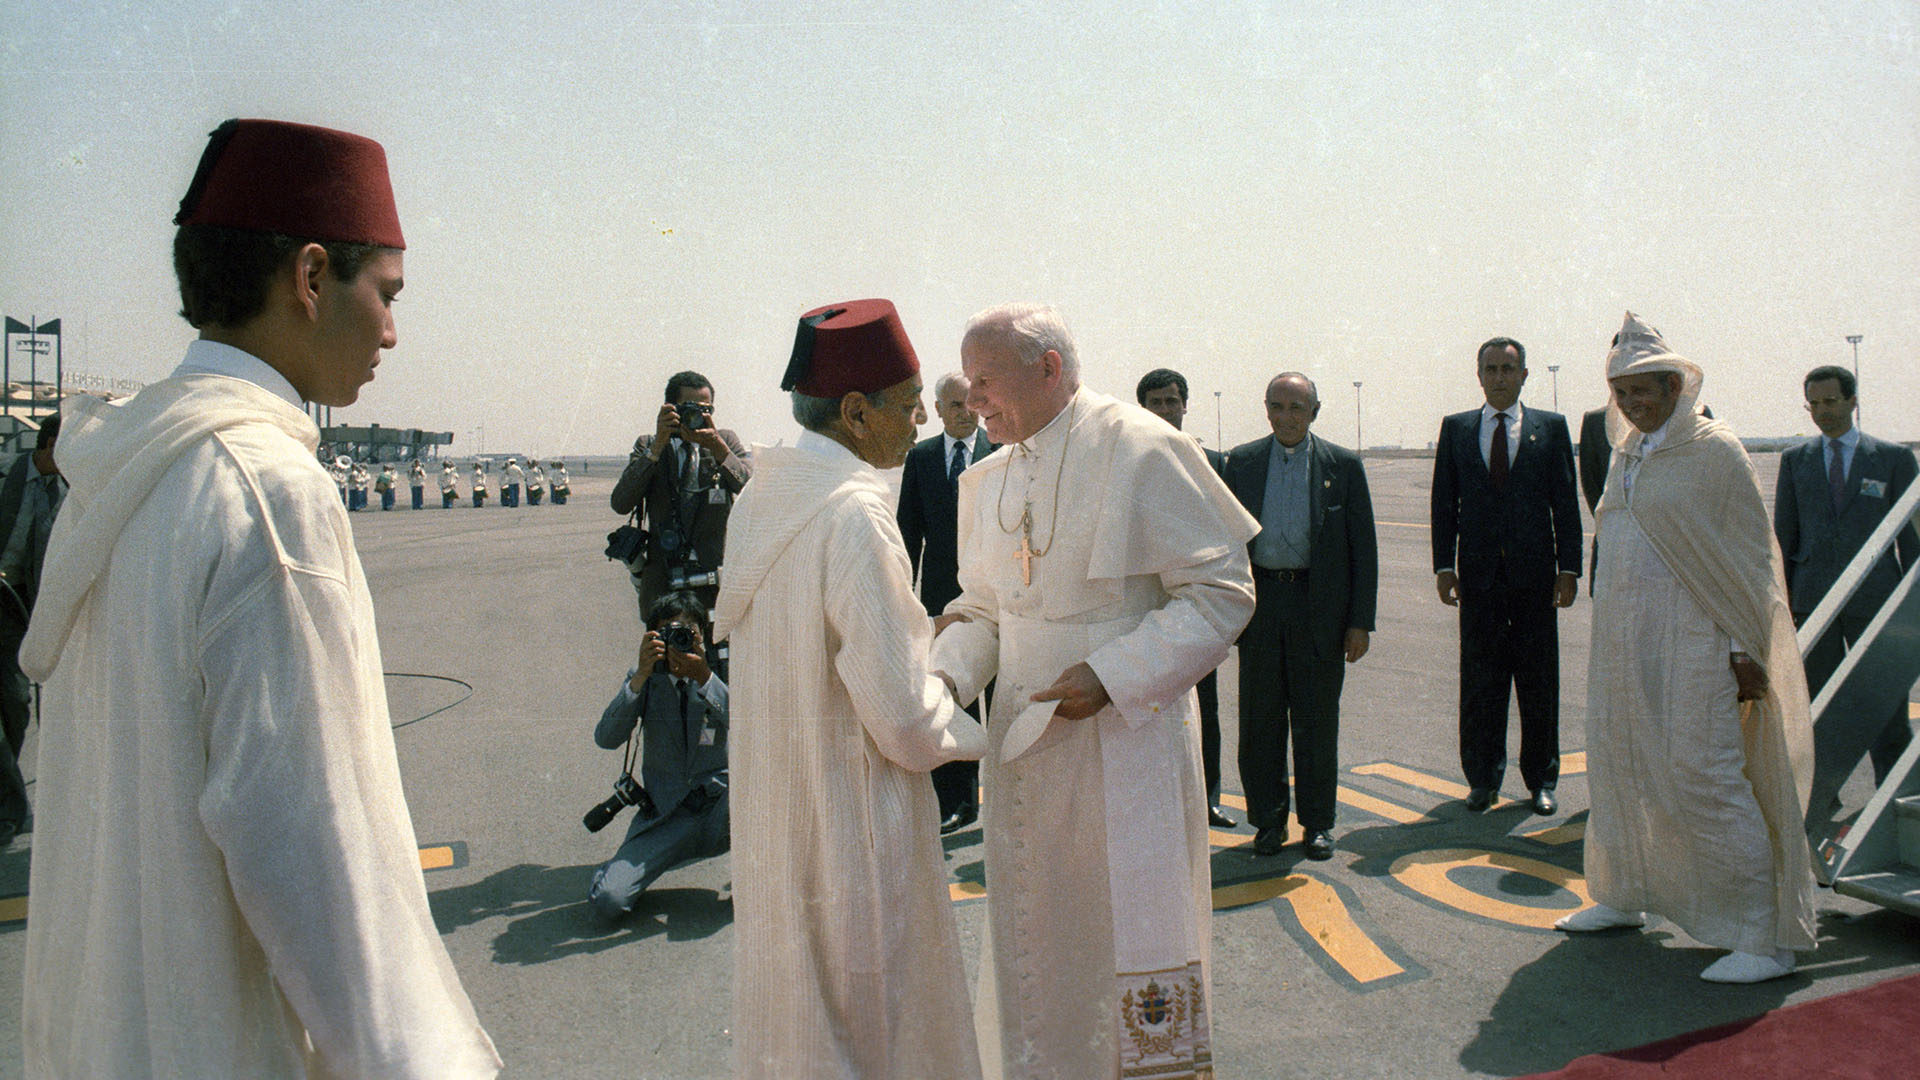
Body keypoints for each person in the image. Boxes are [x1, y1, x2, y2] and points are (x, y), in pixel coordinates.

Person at [18, 117, 499, 1076]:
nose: (395, 333)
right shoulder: (270, 490)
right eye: (387, 294)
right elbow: (317, 860)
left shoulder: (124, 470)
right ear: (312, 278)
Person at [931, 302, 1256, 1079]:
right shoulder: (984, 480)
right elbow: (983, 609)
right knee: (1037, 946)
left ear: (1049, 368)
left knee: (1125, 941)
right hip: (1023, 749)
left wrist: (1112, 676)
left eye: (985, 382)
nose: (972, 402)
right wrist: (942, 676)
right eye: (967, 384)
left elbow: (1222, 591)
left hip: (1124, 746)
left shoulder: (1142, 447)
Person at [713, 298, 985, 1079]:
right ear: (857, 412)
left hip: (778, 816)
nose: (921, 423)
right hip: (856, 829)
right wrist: (984, 730)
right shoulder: (857, 513)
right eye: (908, 408)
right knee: (880, 1037)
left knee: (799, 1028)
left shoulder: (762, 497)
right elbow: (903, 720)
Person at [1556, 312, 1816, 985]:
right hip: (1625, 641)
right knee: (1621, 765)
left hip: (1701, 640)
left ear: (1676, 386)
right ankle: (1623, 895)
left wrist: (1743, 644)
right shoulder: (1628, 453)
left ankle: (1761, 938)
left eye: (1647, 389)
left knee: (1706, 776)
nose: (1635, 403)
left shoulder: (1715, 449)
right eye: (1624, 393)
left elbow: (1750, 558)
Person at [1225, 373, 1377, 859]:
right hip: (1262, 607)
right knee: (1261, 722)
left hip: (1319, 610)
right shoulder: (1242, 463)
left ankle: (1317, 823)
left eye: (1297, 407)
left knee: (1316, 723)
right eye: (1278, 406)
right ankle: (1268, 822)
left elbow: (1363, 551)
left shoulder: (1343, 466)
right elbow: (1226, 543)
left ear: (1315, 411)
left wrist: (1359, 621)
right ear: (1265, 409)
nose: (1286, 416)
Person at [1430, 338, 1582, 815]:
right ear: (1478, 375)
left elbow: (1565, 505)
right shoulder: (1456, 430)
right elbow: (1443, 506)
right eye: (1491, 368)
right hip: (1478, 582)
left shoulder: (1551, 429)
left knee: (1539, 683)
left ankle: (1541, 780)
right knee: (1480, 684)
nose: (1499, 376)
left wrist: (1569, 569)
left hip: (1535, 581)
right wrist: (1444, 565)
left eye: (1508, 368)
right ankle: (1482, 779)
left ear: (1524, 375)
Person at [1774, 364, 1917, 785]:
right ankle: (1822, 797)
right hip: (1813, 603)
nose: (1822, 412)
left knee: (1886, 704)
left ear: (1853, 401)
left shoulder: (1893, 460)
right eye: (1813, 404)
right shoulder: (1795, 461)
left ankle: (1893, 793)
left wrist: (1912, 605)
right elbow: (1784, 537)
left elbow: (1912, 542)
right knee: (1818, 707)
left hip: (1877, 601)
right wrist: (1783, 603)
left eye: (1830, 401)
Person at [587, 591, 730, 921]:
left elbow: (751, 728)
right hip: (668, 816)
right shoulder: (645, 680)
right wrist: (639, 677)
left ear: (702, 636)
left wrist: (705, 678)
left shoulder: (718, 673)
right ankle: (623, 868)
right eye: (668, 634)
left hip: (723, 810)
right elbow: (606, 739)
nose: (678, 641)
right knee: (608, 901)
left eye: (687, 632)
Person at [1139, 366, 1239, 830]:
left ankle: (1207, 796)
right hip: (1148, 605)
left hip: (1197, 606)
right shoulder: (1129, 462)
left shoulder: (1215, 463)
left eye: (1171, 401)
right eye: (1155, 402)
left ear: (1185, 405)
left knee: (1207, 706)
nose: (1164, 410)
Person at [896, 370, 994, 834]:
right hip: (942, 597)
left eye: (970, 403)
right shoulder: (922, 458)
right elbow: (907, 534)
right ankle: (958, 800)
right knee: (952, 696)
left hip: (999, 594)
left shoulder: (1003, 454)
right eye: (954, 405)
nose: (964, 412)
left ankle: (1009, 795)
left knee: (1006, 692)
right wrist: (907, 602)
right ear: (937, 409)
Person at [612, 371, 750, 621]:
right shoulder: (649, 444)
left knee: (722, 655)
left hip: (717, 576)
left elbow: (750, 487)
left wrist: (718, 448)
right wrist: (656, 448)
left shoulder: (725, 440)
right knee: (665, 653)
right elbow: (620, 502)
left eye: (706, 410)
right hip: (664, 578)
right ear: (670, 409)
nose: (698, 417)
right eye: (690, 408)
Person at [0, 414, 64, 847]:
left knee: (16, 703)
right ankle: (9, 808)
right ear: (48, 445)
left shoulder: (68, 491)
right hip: (2, 597)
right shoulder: (9, 476)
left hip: (26, 606)